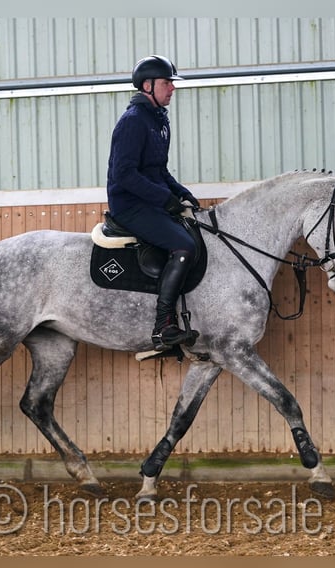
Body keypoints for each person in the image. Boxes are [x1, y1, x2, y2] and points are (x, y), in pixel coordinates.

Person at [106, 55, 201, 352]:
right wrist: (165, 199)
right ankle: (163, 326)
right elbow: (124, 174)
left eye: (172, 82)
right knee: (184, 246)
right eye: (166, 82)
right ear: (147, 85)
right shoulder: (133, 122)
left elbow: (159, 170)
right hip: (130, 205)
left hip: (150, 201)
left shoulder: (158, 121)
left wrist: (181, 193)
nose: (172, 88)